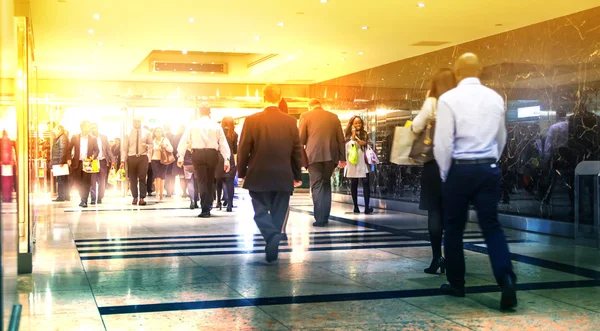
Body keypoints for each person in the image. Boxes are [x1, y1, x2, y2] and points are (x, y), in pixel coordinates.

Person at [434, 53, 517, 310]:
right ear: (479, 71)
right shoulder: (495, 98)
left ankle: (457, 283)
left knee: (454, 228)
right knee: (491, 226)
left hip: (460, 169)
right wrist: (491, 161)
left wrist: (446, 173)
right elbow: (501, 138)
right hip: (488, 168)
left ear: (457, 73)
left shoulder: (449, 99)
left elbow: (443, 142)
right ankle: (505, 278)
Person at [238, 84, 303, 262]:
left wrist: (241, 172)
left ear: (263, 97)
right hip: (283, 175)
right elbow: (296, 150)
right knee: (279, 209)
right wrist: (297, 175)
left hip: (258, 174)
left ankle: (271, 235)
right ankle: (275, 234)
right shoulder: (290, 121)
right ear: (280, 97)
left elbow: (243, 148)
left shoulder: (252, 120)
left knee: (259, 210)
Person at [411, 68, 457, 274]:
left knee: (435, 212)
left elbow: (416, 126)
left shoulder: (433, 101)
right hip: (456, 163)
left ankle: (437, 257)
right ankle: (453, 258)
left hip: (434, 163)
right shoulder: (461, 100)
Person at [177, 103, 230, 218]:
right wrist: (226, 159)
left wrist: (180, 156)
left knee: (201, 181)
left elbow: (184, 140)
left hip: (198, 154)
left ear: (200, 112)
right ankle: (208, 204)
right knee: (210, 180)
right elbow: (223, 143)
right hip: (212, 154)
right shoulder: (216, 125)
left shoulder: (193, 125)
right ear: (209, 112)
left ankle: (205, 208)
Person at [299, 98, 346, 227]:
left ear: (309, 106)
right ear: (320, 105)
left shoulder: (305, 116)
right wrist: (342, 158)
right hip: (331, 157)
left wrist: (300, 159)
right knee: (326, 185)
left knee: (317, 186)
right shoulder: (333, 117)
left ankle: (320, 219)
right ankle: (325, 216)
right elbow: (340, 139)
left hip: (313, 157)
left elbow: (300, 139)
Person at [344, 116, 373, 214]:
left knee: (366, 182)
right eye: (356, 123)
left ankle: (366, 207)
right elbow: (348, 145)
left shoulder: (365, 133)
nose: (358, 125)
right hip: (353, 161)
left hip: (363, 160)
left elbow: (370, 144)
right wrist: (353, 135)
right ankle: (355, 206)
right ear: (352, 124)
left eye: (359, 123)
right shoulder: (347, 134)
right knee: (354, 183)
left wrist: (364, 143)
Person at [121, 118, 152, 206]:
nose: (137, 123)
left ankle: (142, 198)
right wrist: (123, 160)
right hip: (131, 157)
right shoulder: (128, 133)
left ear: (141, 122)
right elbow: (124, 148)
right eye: (135, 121)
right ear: (132, 122)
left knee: (142, 177)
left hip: (143, 157)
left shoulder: (147, 133)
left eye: (138, 121)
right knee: (132, 179)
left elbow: (151, 144)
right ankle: (134, 197)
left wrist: (147, 146)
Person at [69, 121, 99, 208]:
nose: (89, 128)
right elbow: (69, 148)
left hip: (88, 163)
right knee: (78, 183)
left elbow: (97, 150)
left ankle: (84, 200)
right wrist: (69, 159)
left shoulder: (93, 138)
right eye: (87, 126)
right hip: (77, 163)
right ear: (82, 127)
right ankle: (82, 197)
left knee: (86, 182)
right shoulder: (75, 137)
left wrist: (94, 156)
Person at [216, 116, 238, 212]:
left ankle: (218, 202)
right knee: (230, 182)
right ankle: (230, 204)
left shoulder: (218, 134)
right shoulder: (234, 134)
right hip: (230, 158)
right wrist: (235, 163)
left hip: (219, 158)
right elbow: (235, 151)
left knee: (219, 181)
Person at [89, 123, 114, 204]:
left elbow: (108, 150)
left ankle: (100, 197)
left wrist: (112, 160)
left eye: (95, 127)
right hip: (93, 162)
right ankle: (93, 198)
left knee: (102, 181)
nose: (93, 129)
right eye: (92, 128)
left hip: (103, 161)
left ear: (97, 128)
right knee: (92, 181)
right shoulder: (89, 138)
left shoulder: (103, 137)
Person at [150, 127, 173, 202]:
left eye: (160, 131)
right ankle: (157, 195)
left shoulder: (165, 140)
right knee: (157, 177)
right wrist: (157, 147)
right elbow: (152, 148)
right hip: (154, 160)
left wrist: (164, 146)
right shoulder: (152, 140)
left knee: (162, 177)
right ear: (154, 133)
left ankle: (161, 195)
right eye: (156, 131)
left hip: (164, 160)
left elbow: (171, 149)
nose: (158, 132)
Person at [50, 125, 70, 202]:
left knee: (60, 179)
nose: (54, 131)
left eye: (55, 129)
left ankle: (61, 196)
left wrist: (61, 161)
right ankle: (64, 196)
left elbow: (63, 150)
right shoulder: (61, 137)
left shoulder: (62, 138)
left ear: (59, 130)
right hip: (59, 161)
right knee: (62, 179)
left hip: (59, 162)